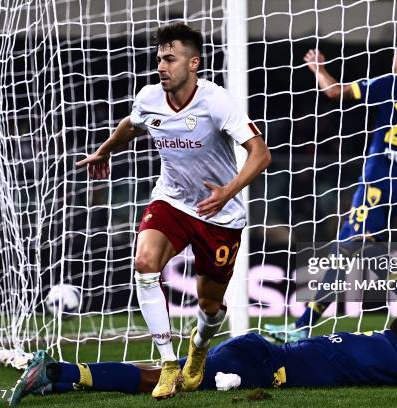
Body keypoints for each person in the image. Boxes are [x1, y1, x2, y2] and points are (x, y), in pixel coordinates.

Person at [75, 23, 270, 399]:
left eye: (170, 58)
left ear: (193, 63)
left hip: (219, 214)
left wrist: (227, 192)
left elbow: (260, 154)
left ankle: (197, 347)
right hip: (173, 200)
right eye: (159, 59)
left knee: (211, 305)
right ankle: (168, 364)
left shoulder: (216, 101)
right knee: (144, 263)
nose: (161, 66)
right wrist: (105, 150)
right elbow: (131, 126)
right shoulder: (149, 97)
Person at [265, 36, 397, 342]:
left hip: (377, 179)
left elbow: (334, 92)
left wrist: (319, 69)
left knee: (348, 246)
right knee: (351, 249)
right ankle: (303, 326)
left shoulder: (390, 83)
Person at [8, 313, 397, 406]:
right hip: (259, 367)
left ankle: (62, 376)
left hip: (259, 351)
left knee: (170, 377)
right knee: (169, 382)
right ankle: (57, 373)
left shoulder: (378, 338)